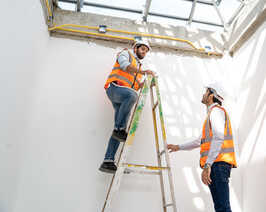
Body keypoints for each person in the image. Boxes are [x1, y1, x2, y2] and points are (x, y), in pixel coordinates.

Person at [166, 82, 237, 212]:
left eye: (206, 92)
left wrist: (208, 165)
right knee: (220, 208)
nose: (203, 94)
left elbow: (218, 137)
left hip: (218, 165)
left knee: (223, 208)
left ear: (211, 95)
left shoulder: (216, 112)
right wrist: (178, 147)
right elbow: (200, 141)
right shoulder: (212, 114)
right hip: (217, 165)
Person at [99, 40, 155, 174]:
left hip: (124, 97)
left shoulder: (138, 68)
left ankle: (108, 161)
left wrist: (147, 83)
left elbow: (135, 86)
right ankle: (119, 128)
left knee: (119, 131)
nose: (144, 52)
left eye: (146, 51)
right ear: (135, 48)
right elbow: (124, 66)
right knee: (132, 96)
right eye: (142, 49)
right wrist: (143, 73)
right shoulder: (126, 54)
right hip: (115, 90)